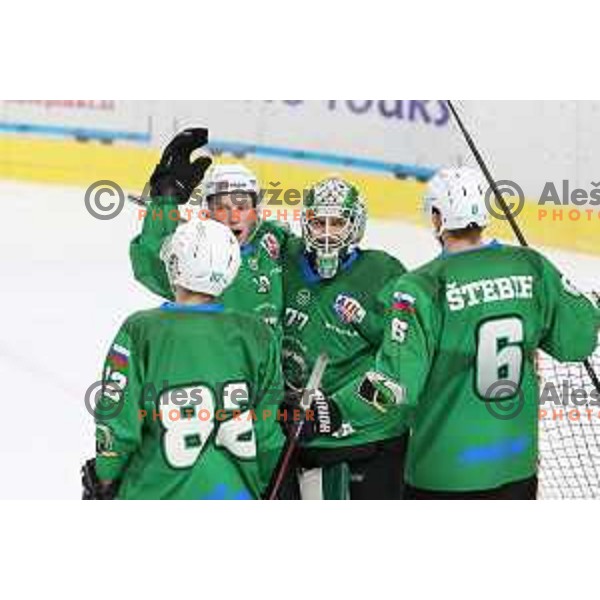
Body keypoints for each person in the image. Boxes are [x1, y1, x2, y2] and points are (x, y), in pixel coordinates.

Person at [372, 166, 600, 499]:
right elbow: (576, 344)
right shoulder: (531, 265)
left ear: (437, 218)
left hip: (444, 471)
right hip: (517, 463)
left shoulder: (420, 287)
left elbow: (397, 388)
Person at [83, 219, 285, 500]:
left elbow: (119, 421)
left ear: (175, 263)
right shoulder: (259, 334)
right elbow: (267, 432)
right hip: (235, 495)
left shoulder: (141, 330)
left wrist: (104, 475)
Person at [281, 176, 410, 500]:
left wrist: (341, 409)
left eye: (337, 223)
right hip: (293, 429)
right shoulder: (286, 260)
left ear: (355, 225)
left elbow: (404, 352)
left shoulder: (383, 270)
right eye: (317, 222)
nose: (326, 233)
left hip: (364, 437)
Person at [130, 129, 289, 329]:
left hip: (269, 360)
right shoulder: (195, 256)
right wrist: (165, 198)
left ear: (256, 211)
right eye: (222, 207)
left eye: (242, 207)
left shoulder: (275, 241)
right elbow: (149, 261)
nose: (233, 217)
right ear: (208, 212)